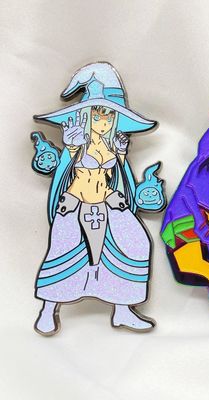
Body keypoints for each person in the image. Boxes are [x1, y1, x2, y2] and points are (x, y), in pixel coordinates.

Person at [32, 62, 165, 335]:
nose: (103, 123)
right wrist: (70, 149)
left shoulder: (113, 145)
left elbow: (122, 178)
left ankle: (123, 310)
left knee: (136, 244)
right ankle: (47, 310)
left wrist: (121, 156)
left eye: (109, 116)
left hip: (110, 202)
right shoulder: (76, 142)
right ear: (85, 115)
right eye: (97, 115)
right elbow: (64, 173)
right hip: (74, 204)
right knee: (64, 252)